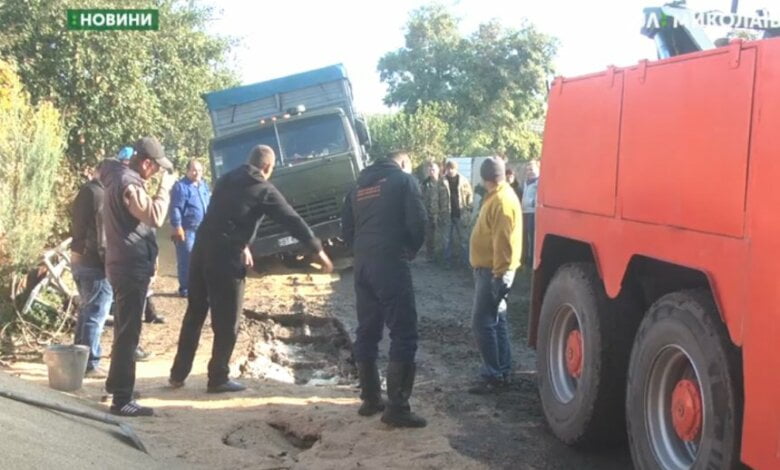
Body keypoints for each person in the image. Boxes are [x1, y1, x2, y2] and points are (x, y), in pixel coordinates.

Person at [169, 145, 334, 393]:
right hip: (225, 257)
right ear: (267, 167)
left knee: (195, 312)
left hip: (201, 250)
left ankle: (177, 374)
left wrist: (243, 243)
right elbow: (292, 220)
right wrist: (318, 250)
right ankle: (218, 378)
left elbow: (223, 213)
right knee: (227, 320)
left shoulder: (226, 179)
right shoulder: (264, 189)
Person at [341, 150, 428, 428]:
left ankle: (370, 398)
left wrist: (361, 251)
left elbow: (346, 230)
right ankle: (397, 408)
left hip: (363, 265)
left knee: (367, 329)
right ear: (402, 163)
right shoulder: (403, 181)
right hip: (390, 261)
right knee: (404, 331)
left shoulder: (356, 187)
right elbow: (419, 222)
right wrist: (410, 250)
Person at [100, 136, 176, 417]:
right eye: (156, 168)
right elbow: (154, 215)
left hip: (123, 264)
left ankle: (117, 385)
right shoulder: (129, 184)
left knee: (123, 328)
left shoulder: (118, 177)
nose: (157, 174)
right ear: (146, 163)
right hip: (130, 267)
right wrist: (164, 190)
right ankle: (122, 399)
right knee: (129, 333)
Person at [468, 157, 522, 394]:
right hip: (493, 270)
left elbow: (504, 242)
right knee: (497, 321)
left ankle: (493, 374)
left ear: (484, 177)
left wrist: (499, 276)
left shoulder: (500, 200)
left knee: (482, 323)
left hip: (493, 271)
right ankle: (502, 370)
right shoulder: (500, 196)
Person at [71, 162, 113, 378]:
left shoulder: (85, 191)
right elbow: (102, 236)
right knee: (96, 312)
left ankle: (78, 357)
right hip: (94, 264)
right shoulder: (100, 195)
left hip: (78, 259)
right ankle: (90, 363)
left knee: (86, 310)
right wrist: (109, 263)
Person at [169, 159, 211, 297]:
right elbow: (175, 208)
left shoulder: (203, 185)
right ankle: (185, 288)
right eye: (193, 170)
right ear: (187, 171)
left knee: (204, 258)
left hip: (204, 229)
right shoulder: (181, 187)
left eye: (199, 170)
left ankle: (202, 286)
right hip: (187, 230)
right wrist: (177, 226)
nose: (196, 173)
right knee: (186, 258)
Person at [442, 160, 473, 267]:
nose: (450, 170)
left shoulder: (464, 181)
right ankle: (447, 262)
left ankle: (465, 263)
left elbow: (470, 195)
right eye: (448, 168)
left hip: (461, 214)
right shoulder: (442, 181)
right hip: (447, 214)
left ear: (456, 168)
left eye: (452, 168)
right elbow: (437, 197)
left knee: (464, 240)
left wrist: (468, 209)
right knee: (446, 240)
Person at [420, 159, 449, 262]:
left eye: (433, 168)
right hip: (429, 215)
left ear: (438, 169)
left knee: (443, 238)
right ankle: (430, 258)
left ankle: (444, 259)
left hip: (443, 214)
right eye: (429, 168)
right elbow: (421, 198)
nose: (431, 170)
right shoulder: (424, 184)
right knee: (429, 238)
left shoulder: (445, 182)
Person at [521, 162, 539, 267]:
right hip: (524, 212)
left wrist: (532, 202)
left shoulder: (538, 182)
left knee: (532, 236)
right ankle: (524, 257)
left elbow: (539, 196)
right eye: (528, 170)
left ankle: (532, 259)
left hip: (533, 212)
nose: (530, 172)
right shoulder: (526, 182)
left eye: (532, 169)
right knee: (523, 235)